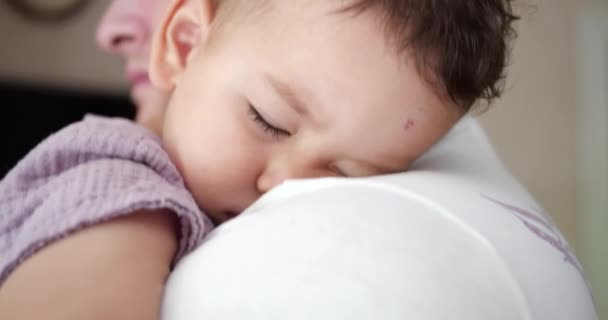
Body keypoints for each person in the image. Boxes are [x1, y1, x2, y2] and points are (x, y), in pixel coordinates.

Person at [0, 1, 598, 320]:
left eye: (345, 174)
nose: (284, 185)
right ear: (183, 45)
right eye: (268, 120)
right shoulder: (118, 176)